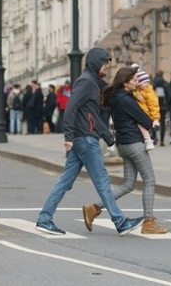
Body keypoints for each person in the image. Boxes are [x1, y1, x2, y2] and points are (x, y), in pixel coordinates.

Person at [35, 47, 144, 236]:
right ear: (95, 63)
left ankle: (44, 219)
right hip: (84, 138)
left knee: (65, 182)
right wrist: (68, 136)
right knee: (102, 181)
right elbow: (70, 109)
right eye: (104, 64)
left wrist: (108, 138)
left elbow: (91, 114)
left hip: (84, 137)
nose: (107, 67)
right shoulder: (86, 82)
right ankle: (120, 222)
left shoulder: (92, 82)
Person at [82, 67, 168, 234]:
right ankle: (149, 222)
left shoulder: (117, 97)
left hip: (124, 144)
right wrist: (151, 119)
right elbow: (146, 121)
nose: (137, 82)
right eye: (135, 79)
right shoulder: (126, 100)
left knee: (128, 184)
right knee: (149, 181)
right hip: (134, 143)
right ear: (125, 82)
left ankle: (94, 208)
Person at [131, 65, 160, 151]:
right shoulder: (137, 91)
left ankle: (148, 140)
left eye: (148, 82)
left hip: (144, 114)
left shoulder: (149, 93)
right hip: (139, 113)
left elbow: (154, 106)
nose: (146, 84)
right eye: (144, 82)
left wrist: (155, 119)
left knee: (142, 127)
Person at [151, 70, 170, 147]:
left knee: (154, 122)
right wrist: (167, 103)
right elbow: (169, 95)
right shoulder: (166, 84)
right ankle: (162, 140)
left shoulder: (152, 84)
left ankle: (155, 137)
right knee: (162, 123)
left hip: (154, 106)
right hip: (163, 106)